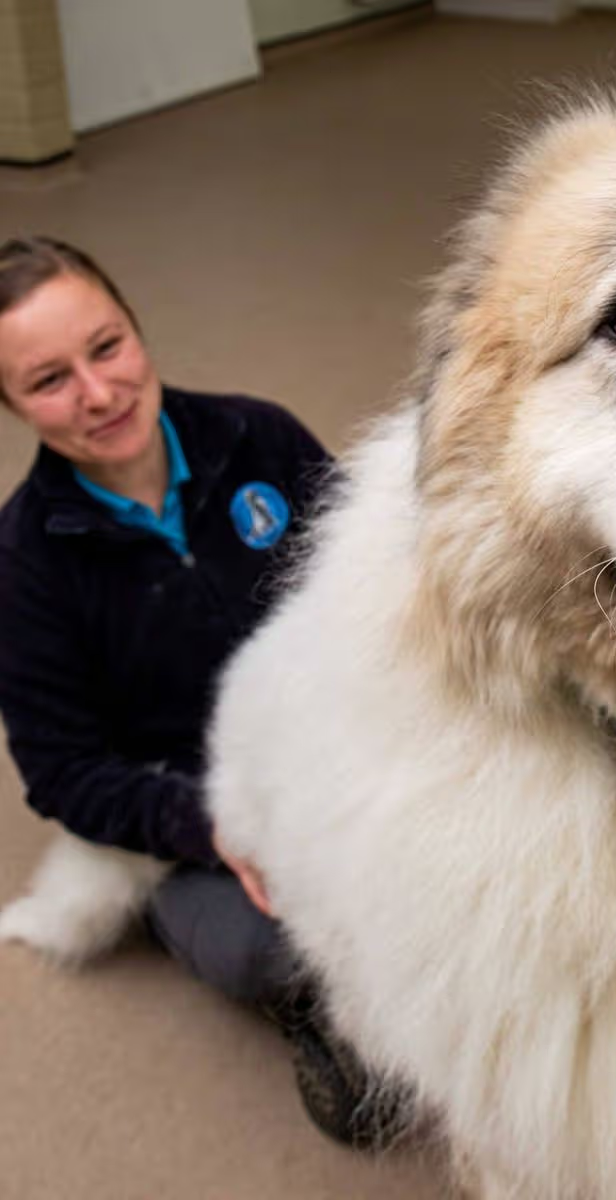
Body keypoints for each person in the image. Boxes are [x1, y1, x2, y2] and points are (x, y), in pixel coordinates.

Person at [0, 236, 402, 1148]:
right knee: (272, 947)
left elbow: (372, 579)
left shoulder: (256, 436)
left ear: (136, 330)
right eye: (49, 381)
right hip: (197, 819)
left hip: (339, 743)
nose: (98, 394)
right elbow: (64, 772)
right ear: (15, 405)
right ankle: (323, 1022)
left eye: (106, 348)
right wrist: (215, 827)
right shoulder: (25, 565)